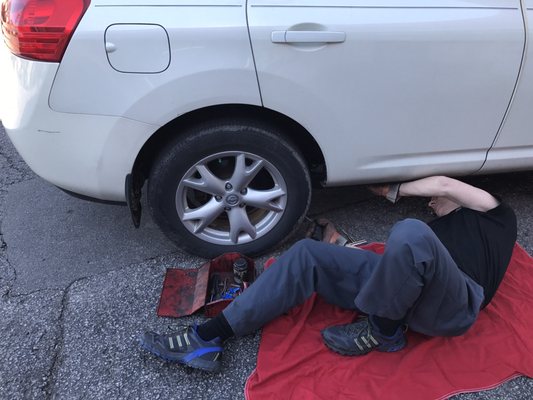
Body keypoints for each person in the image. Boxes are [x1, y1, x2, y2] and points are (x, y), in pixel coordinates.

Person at [140, 176, 517, 373]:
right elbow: (394, 268)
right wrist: (337, 246)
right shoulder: (434, 235)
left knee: (410, 231)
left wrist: (393, 189)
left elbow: (445, 185)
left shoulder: (497, 215)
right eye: (430, 202)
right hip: (407, 297)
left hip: (456, 304)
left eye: (434, 201)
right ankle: (208, 338)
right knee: (309, 255)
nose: (432, 203)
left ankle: (383, 333)